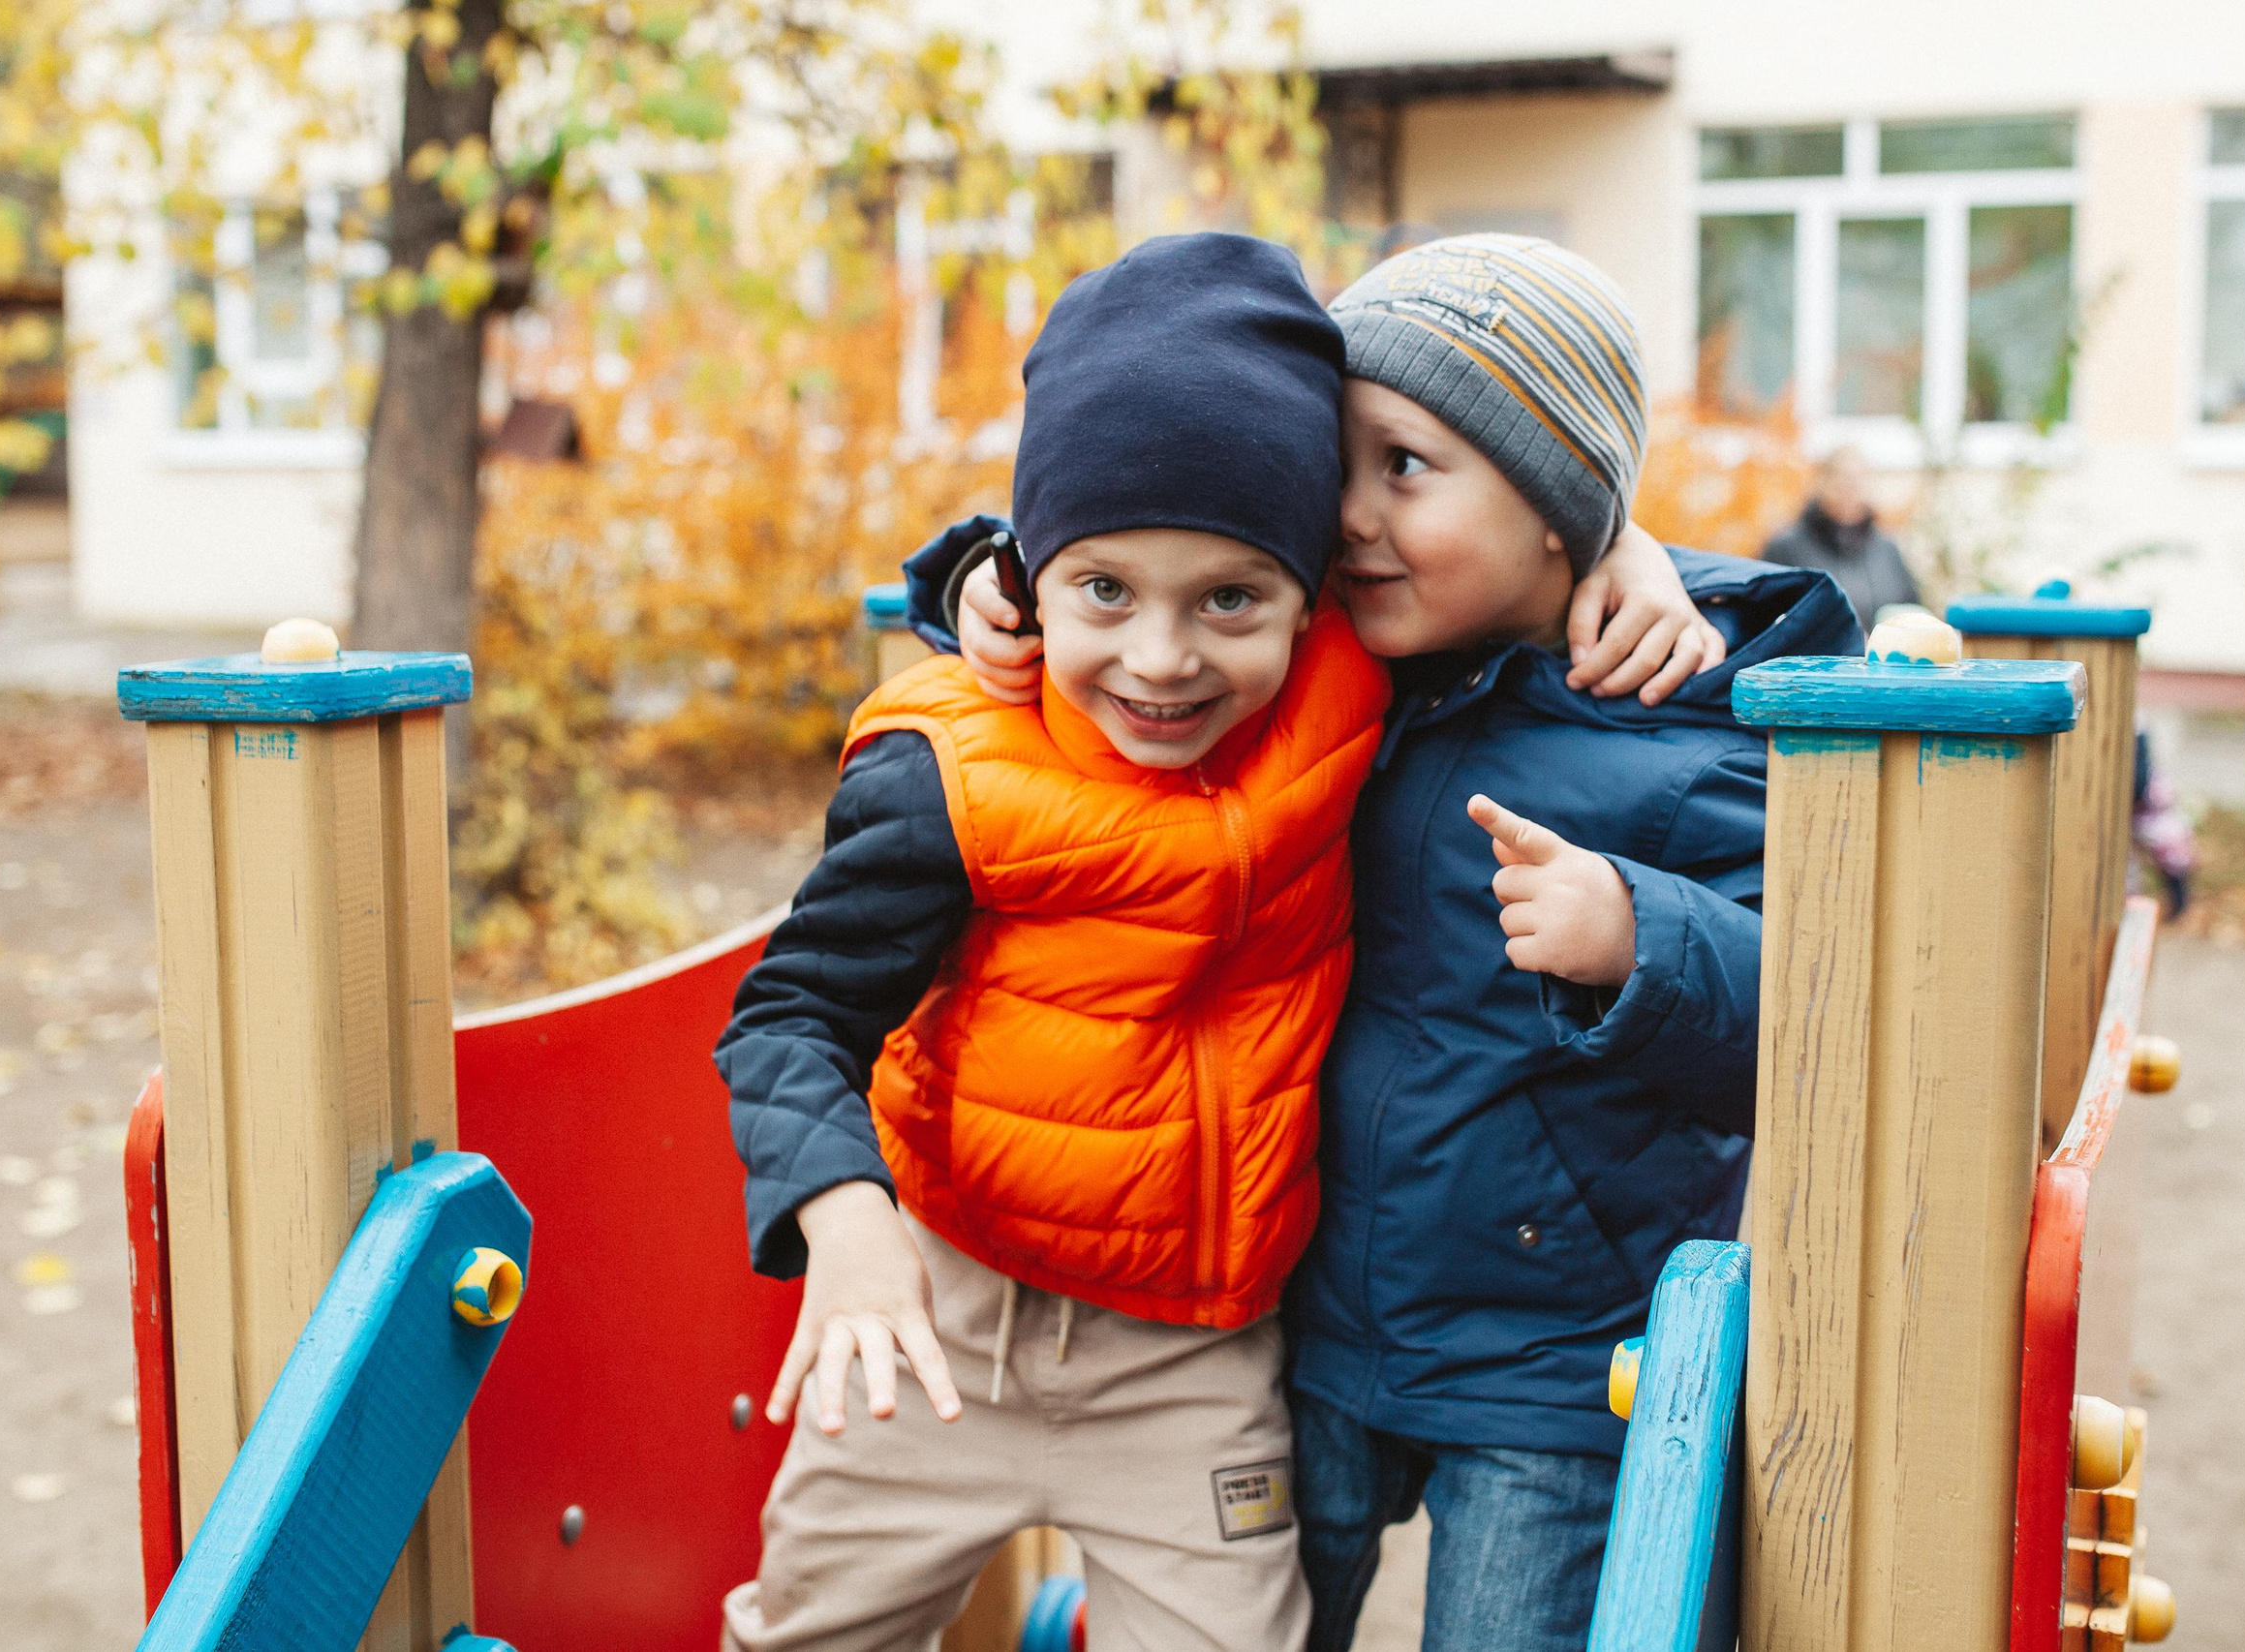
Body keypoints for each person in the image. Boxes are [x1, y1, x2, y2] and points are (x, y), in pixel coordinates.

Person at [713, 232, 1716, 1652]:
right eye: (1102, 592)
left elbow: (1495, 549)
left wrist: (1624, 542)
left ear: (1310, 593)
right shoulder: (947, 774)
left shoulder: (1346, 688)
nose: (1166, 659)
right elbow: (787, 1016)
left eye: (1229, 599)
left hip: (1191, 1360)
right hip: (936, 1311)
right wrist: (846, 1222)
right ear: (1036, 582)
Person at [945, 233, 1863, 1652]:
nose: (1350, 516)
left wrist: (1647, 940)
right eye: (1341, 466)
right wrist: (982, 583)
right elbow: (1140, 511)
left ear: (1561, 511)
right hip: (1304, 1318)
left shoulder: (1690, 723)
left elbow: (1812, 1024)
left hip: (1549, 1363)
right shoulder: (1326, 661)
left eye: (1407, 468)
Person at [1762, 444, 1921, 629]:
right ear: (1821, 482)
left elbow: (1912, 611)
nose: (1850, 489)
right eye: (1841, 480)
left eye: (1857, 480)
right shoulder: (1785, 547)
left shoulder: (1887, 548)